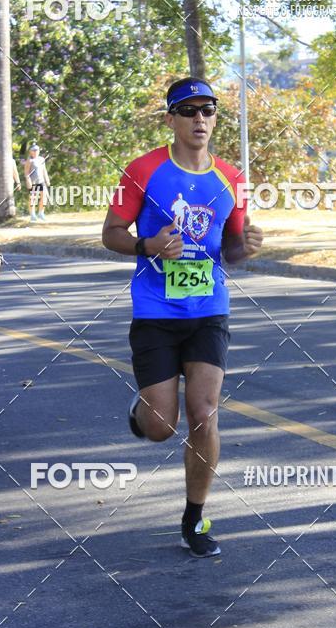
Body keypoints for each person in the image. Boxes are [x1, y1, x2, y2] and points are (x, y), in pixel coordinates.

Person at [102, 77, 263, 557]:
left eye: (208, 110)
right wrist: (146, 245)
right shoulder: (143, 170)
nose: (199, 119)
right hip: (154, 310)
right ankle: (142, 415)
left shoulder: (232, 178)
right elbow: (110, 232)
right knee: (161, 426)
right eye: (188, 110)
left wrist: (247, 246)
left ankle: (195, 518)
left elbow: (231, 249)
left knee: (204, 413)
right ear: (170, 118)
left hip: (208, 310)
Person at [24, 143, 50, 222]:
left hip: (41, 181)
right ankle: (32, 215)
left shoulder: (41, 159)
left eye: (37, 150)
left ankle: (41, 213)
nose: (35, 152)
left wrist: (47, 179)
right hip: (33, 182)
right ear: (30, 152)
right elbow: (26, 172)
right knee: (33, 198)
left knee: (44, 196)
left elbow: (44, 170)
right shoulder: (29, 160)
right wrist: (28, 181)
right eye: (34, 150)